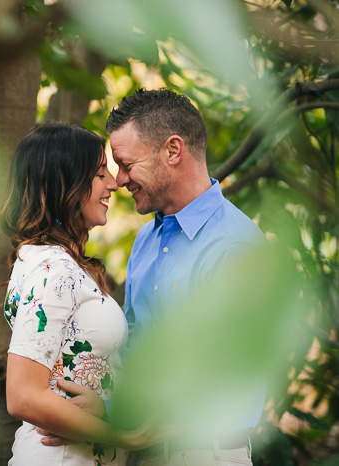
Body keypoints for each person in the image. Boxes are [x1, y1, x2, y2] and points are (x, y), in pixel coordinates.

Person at [40, 89, 266, 466]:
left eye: (126, 164)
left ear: (173, 151)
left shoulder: (234, 245)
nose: (119, 180)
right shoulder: (147, 239)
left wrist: (110, 414)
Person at [0, 122, 171, 466]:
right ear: (65, 182)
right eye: (99, 174)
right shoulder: (52, 268)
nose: (113, 184)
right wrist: (124, 437)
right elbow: (22, 395)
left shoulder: (59, 265)